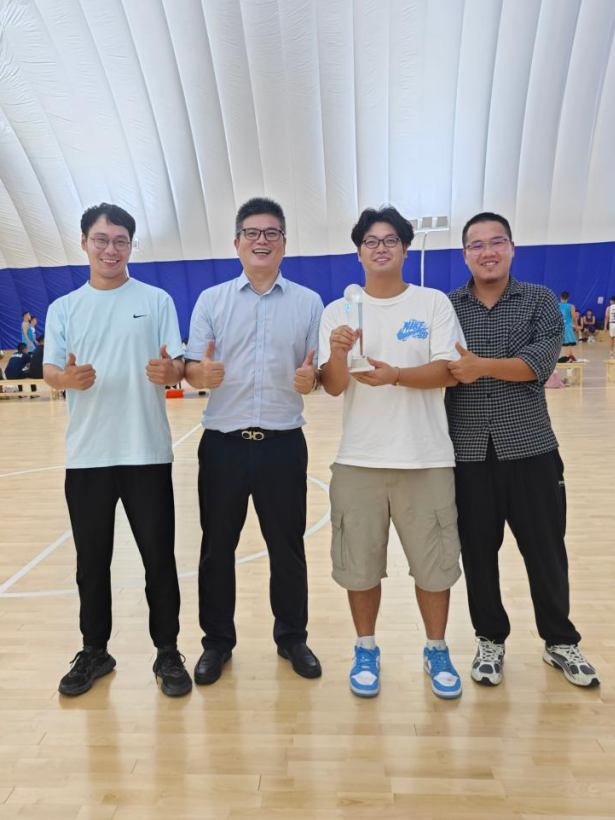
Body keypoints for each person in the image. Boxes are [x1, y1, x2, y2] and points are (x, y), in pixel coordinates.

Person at [43, 202, 192, 698]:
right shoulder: (64, 308)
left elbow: (177, 363)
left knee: (159, 560)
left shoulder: (156, 300)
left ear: (131, 246)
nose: (111, 249)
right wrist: (66, 379)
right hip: (88, 456)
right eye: (102, 239)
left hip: (146, 451)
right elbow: (50, 371)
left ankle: (167, 650)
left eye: (121, 241)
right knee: (91, 564)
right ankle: (95, 650)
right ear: (83, 242)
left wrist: (172, 373)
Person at [319, 206, 466, 700]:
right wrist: (339, 353)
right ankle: (366, 648)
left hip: (425, 458)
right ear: (359, 252)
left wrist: (397, 376)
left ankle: (436, 648)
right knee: (359, 567)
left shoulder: (432, 303)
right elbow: (334, 387)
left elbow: (449, 371)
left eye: (389, 240)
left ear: (404, 248)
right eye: (370, 241)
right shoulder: (338, 312)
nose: (380, 248)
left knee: (435, 566)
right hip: (359, 458)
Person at [446, 212, 599, 689]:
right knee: (478, 554)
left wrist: (478, 367)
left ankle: (560, 641)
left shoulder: (540, 300)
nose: (487, 252)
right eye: (476, 245)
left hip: (530, 448)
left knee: (545, 550)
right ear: (465, 255)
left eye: (497, 242)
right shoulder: (447, 307)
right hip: (468, 453)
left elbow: (538, 364)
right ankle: (489, 639)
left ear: (512, 248)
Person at [182, 197, 324, 686]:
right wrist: (199, 374)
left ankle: (292, 637)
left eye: (271, 233)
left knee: (287, 548)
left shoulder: (308, 302)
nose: (261, 240)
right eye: (252, 233)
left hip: (283, 444)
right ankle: (216, 642)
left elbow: (317, 371)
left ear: (284, 242)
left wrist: (312, 380)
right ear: (237, 242)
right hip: (223, 444)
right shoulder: (211, 300)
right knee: (216, 549)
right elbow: (190, 367)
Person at [558, 292, 579, 360]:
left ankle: (556, 359)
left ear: (560, 297)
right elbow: (574, 317)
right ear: (568, 298)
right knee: (569, 343)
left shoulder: (556, 305)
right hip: (567, 326)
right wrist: (576, 326)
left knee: (558, 343)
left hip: (558, 327)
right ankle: (568, 358)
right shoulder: (571, 306)